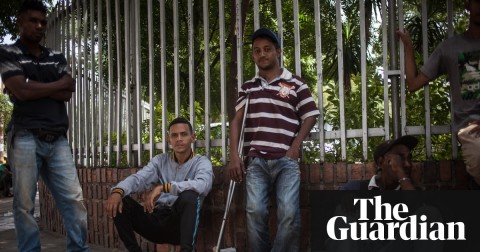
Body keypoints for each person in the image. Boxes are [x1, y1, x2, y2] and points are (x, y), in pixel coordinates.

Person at [0, 1, 88, 251]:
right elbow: (20, 90)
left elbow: (68, 90)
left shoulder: (56, 56)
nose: (39, 26)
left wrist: (32, 85)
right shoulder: (8, 53)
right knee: (24, 205)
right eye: (33, 21)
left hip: (58, 139)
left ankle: (79, 249)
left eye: (43, 22)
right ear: (20, 22)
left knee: (74, 201)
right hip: (25, 136)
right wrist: (53, 85)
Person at [228, 28, 320, 252]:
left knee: (289, 213)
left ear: (278, 52)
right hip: (256, 161)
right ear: (253, 56)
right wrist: (234, 156)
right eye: (257, 51)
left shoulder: (295, 83)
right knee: (254, 211)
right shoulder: (248, 88)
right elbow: (236, 122)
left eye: (267, 49)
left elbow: (310, 115)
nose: (262, 54)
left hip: (286, 160)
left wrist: (295, 147)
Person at [397, 0, 480, 188]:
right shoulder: (450, 48)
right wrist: (408, 47)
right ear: (468, 5)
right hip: (472, 130)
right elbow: (413, 83)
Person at [105, 117, 214, 252]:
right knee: (120, 200)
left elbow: (203, 185)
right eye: (174, 135)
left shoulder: (202, 162)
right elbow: (139, 178)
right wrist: (118, 191)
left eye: (184, 134)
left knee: (190, 196)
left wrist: (164, 187)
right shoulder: (160, 161)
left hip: (180, 226)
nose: (179, 139)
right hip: (156, 221)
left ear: (193, 138)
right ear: (169, 140)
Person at [341, 135, 418, 190]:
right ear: (381, 162)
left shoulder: (413, 190)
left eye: (409, 158)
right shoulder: (355, 189)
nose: (408, 164)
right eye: (399, 159)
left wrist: (400, 172)